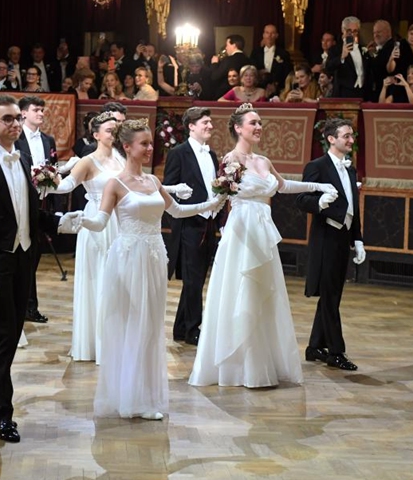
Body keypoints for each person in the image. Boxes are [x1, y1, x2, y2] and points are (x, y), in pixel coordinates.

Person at [61, 119, 223, 420]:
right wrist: (79, 221)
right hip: (127, 258)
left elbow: (176, 210)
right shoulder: (115, 183)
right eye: (144, 144)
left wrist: (213, 202)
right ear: (127, 147)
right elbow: (99, 222)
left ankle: (145, 396)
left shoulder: (153, 182)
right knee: (130, 323)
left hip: (153, 257)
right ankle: (127, 397)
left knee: (150, 326)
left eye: (151, 143)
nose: (150, 148)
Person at [189, 104, 336, 388]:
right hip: (242, 230)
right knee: (242, 289)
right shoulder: (231, 160)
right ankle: (238, 365)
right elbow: (220, 197)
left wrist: (318, 188)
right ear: (238, 127)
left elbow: (283, 186)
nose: (258, 127)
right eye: (253, 123)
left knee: (264, 293)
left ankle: (263, 362)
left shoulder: (264, 161)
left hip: (263, 230)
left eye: (260, 123)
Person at [0, 95, 62, 442]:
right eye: (7, 119)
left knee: (7, 338)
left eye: (18, 118)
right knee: (4, 339)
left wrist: (61, 223)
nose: (15, 124)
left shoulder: (22, 160)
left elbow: (28, 210)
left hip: (23, 260)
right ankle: (2, 414)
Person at [49, 111, 124, 361]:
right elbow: (66, 186)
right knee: (99, 277)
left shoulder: (121, 158)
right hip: (96, 221)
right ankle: (96, 343)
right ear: (96, 134)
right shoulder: (88, 161)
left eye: (116, 129)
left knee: (119, 278)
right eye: (109, 130)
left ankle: (116, 341)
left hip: (120, 220)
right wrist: (48, 176)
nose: (114, 133)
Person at [296, 117, 365, 371]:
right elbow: (302, 199)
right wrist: (319, 203)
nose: (351, 140)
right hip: (325, 239)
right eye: (346, 136)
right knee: (330, 296)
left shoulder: (350, 169)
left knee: (332, 296)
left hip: (343, 238)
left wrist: (357, 239)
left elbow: (353, 207)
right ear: (331, 139)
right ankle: (336, 351)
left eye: (351, 136)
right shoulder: (317, 166)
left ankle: (315, 346)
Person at [162, 107, 219, 345]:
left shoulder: (212, 155)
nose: (210, 126)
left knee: (197, 279)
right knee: (193, 279)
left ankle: (181, 328)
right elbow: (169, 188)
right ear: (191, 126)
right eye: (205, 122)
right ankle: (194, 328)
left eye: (210, 122)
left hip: (209, 223)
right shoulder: (179, 153)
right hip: (189, 223)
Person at [15, 96, 58, 324]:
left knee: (35, 257)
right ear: (23, 113)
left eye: (42, 110)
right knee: (22, 257)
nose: (41, 113)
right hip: (20, 204)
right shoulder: (15, 138)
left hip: (41, 204)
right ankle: (19, 306)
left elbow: (54, 169)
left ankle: (30, 307)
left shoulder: (47, 140)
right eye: (36, 110)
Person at [325, 16, 370, 99]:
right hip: (343, 95)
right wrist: (341, 57)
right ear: (343, 30)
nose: (352, 34)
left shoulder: (361, 48)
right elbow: (328, 67)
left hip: (362, 94)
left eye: (355, 31)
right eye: (349, 31)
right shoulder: (335, 49)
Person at [210, 34, 249, 99]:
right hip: (244, 96)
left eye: (227, 45)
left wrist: (214, 64)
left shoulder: (228, 60)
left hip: (227, 95)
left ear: (234, 45)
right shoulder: (249, 60)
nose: (226, 48)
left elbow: (215, 77)